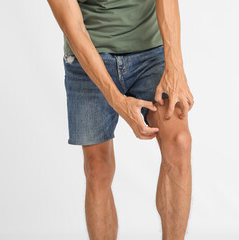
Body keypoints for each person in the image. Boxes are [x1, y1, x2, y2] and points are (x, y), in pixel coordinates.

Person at [47, 0, 194, 239]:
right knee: (98, 169)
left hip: (151, 53)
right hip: (89, 55)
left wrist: (175, 67)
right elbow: (73, 26)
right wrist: (117, 100)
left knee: (179, 142)